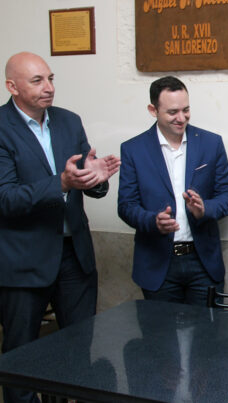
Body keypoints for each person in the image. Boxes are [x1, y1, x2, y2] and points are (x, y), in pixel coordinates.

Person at [0, 52, 120, 403]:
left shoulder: (69, 121)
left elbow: (85, 177)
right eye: (37, 81)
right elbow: (5, 197)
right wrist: (62, 183)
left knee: (77, 349)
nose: (49, 87)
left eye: (51, 79)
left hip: (75, 258)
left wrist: (96, 179)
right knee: (20, 357)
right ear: (12, 87)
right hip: (24, 262)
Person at [118, 76, 228, 304]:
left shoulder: (211, 143)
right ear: (153, 110)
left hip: (203, 262)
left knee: (209, 326)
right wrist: (153, 221)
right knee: (159, 327)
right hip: (157, 264)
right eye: (172, 112)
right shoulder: (133, 149)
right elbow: (126, 206)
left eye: (186, 110)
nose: (181, 118)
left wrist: (204, 209)